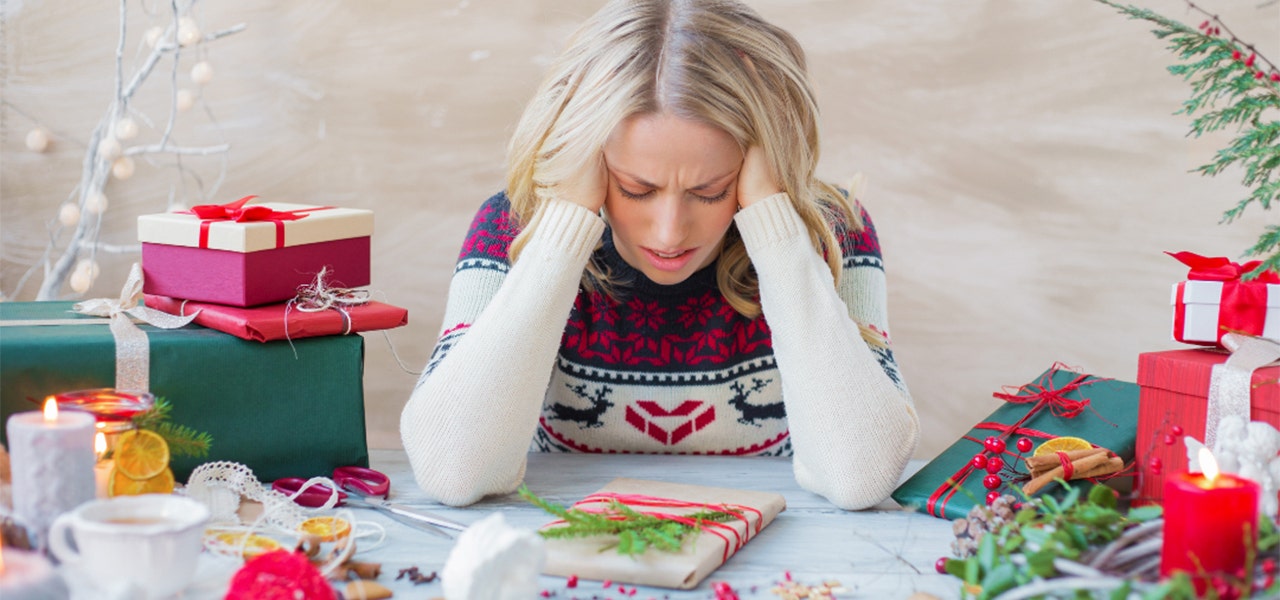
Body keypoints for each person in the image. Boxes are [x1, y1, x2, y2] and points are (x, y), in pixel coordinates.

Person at [400, 0, 920, 510]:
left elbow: (860, 474)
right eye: (636, 189)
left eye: (710, 191)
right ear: (592, 159)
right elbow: (453, 470)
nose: (670, 234)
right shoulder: (512, 227)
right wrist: (561, 232)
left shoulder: (833, 232)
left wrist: (777, 230)